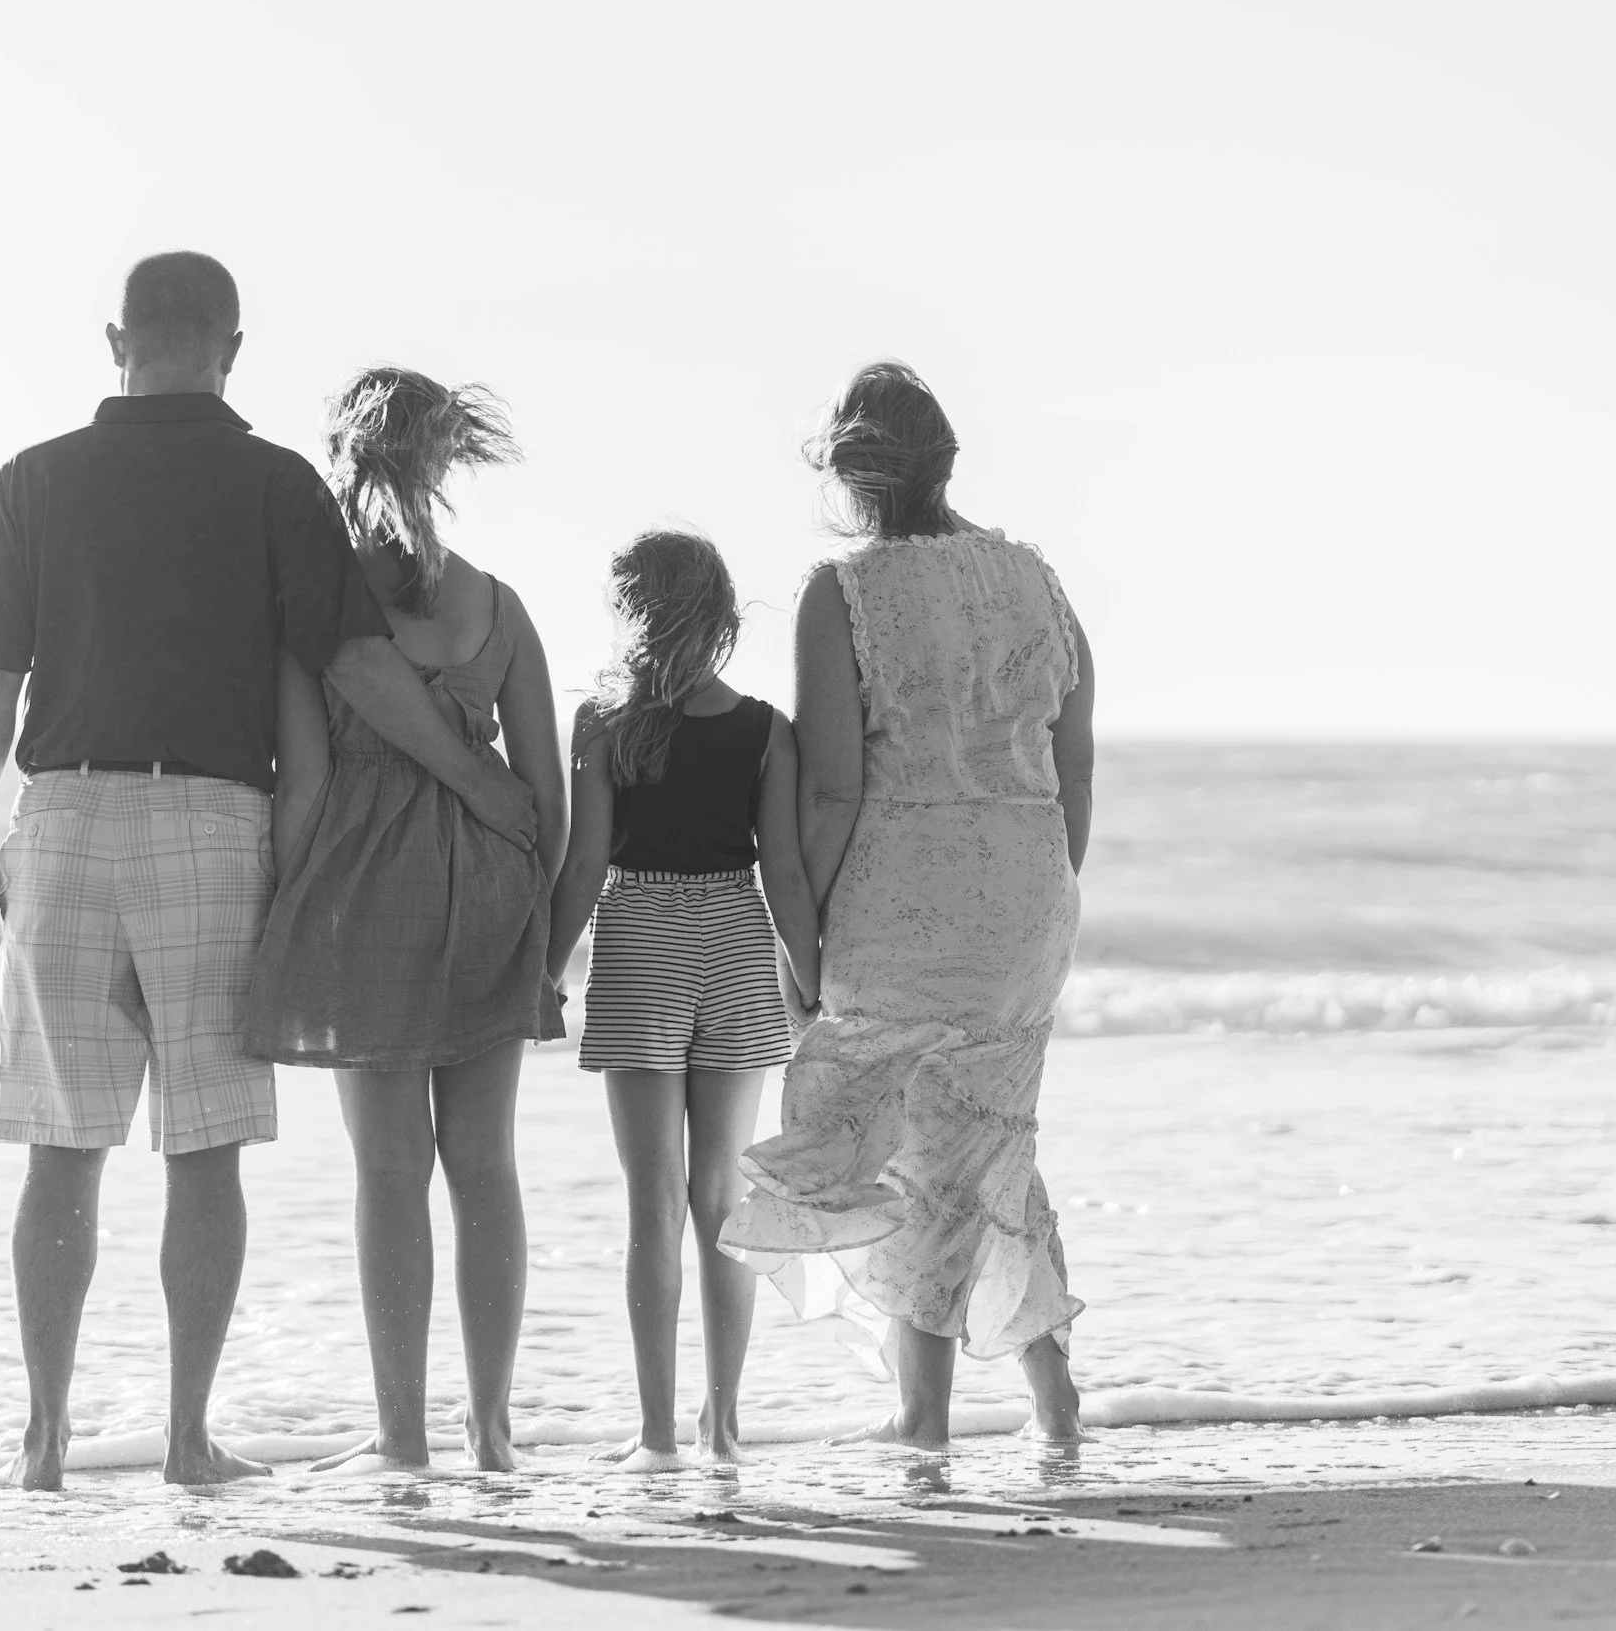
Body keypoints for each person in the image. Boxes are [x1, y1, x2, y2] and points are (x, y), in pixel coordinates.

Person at [0, 257, 539, 1493]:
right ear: (233, 348)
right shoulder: (275, 482)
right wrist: (475, 781)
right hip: (213, 818)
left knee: (61, 1146)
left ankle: (42, 1443)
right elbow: (357, 666)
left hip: (63, 812)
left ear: (118, 340)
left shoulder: (32, 477)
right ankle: (186, 1439)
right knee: (202, 1148)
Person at [720, 360, 1096, 1450]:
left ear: (849, 477)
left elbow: (833, 789)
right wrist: (1048, 887)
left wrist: (801, 937)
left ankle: (922, 1412)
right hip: (1028, 886)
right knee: (987, 1138)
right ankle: (1051, 1393)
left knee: (914, 1150)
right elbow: (1073, 758)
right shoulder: (1036, 579)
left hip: (903, 894)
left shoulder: (845, 592)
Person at [246, 368, 567, 1475]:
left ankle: (403, 1436)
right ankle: (494, 1430)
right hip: (489, 888)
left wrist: (283, 916)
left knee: (390, 1172)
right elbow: (545, 795)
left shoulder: (322, 608)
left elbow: (304, 782)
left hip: (364, 891)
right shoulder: (498, 604)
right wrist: (541, 932)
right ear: (443, 463)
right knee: (485, 1163)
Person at [546, 529, 819, 1473]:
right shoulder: (767, 729)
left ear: (634, 615)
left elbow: (585, 864)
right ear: (724, 616)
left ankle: (658, 1434)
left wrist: (545, 971)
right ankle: (725, 1427)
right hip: (736, 941)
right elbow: (784, 872)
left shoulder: (602, 725)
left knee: (653, 1204)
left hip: (640, 943)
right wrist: (811, 978)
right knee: (722, 1201)